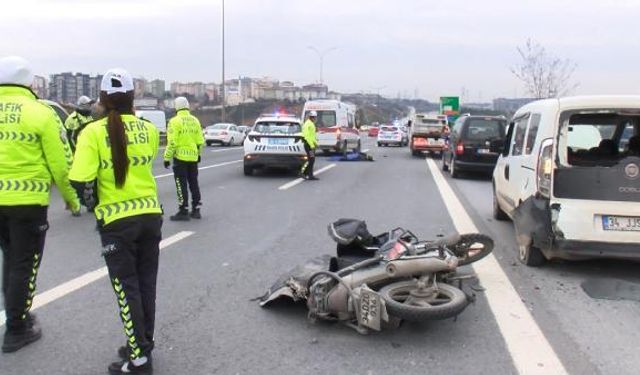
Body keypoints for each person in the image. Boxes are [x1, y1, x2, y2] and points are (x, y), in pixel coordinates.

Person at [69, 68, 162, 375]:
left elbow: (79, 177)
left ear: (102, 98)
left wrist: (87, 198)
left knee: (127, 290)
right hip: (150, 216)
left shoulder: (92, 133)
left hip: (117, 222)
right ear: (133, 96)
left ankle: (138, 360)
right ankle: (141, 345)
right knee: (146, 285)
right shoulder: (148, 129)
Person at [0, 56, 80, 353]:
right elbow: (60, 163)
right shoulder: (40, 112)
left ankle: (16, 311)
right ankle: (17, 330)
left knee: (10, 260)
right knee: (24, 264)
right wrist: (72, 199)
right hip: (27, 203)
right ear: (29, 83)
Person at [163, 96, 204, 221]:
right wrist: (198, 154)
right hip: (193, 157)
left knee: (181, 185)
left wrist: (167, 157)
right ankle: (196, 209)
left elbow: (172, 142)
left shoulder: (174, 121)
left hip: (180, 158)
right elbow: (200, 141)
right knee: (194, 183)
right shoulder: (195, 120)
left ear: (176, 107)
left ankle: (183, 210)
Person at [300, 110, 319, 180]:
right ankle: (304, 172)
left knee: (311, 160)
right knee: (311, 160)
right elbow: (307, 136)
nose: (315, 119)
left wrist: (316, 144)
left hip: (311, 145)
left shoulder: (311, 124)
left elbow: (312, 136)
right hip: (308, 145)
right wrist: (312, 145)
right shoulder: (307, 124)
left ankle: (309, 174)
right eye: (314, 117)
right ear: (312, 117)